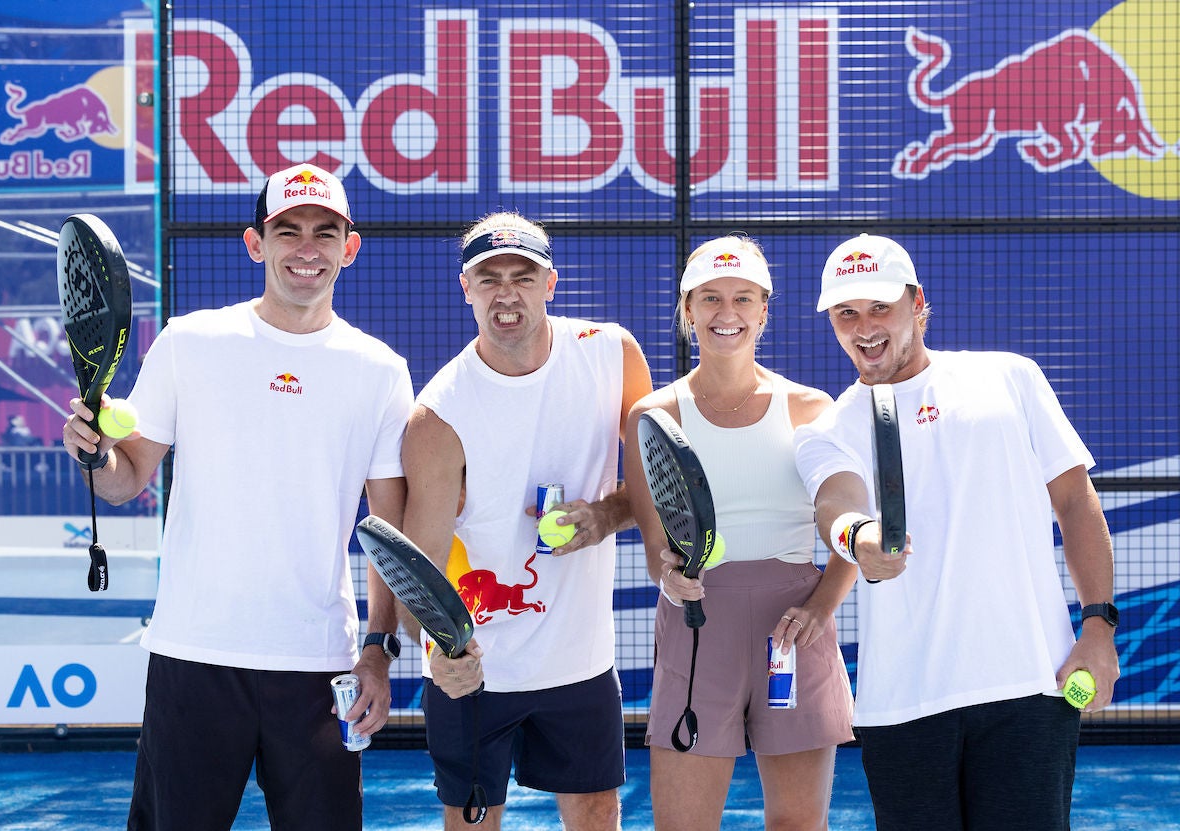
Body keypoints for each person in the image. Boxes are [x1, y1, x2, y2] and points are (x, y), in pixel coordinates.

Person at [61, 163, 415, 831]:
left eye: (323, 232)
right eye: (288, 230)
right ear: (256, 243)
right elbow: (125, 475)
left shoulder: (380, 370)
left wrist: (378, 649)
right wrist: (93, 451)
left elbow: (388, 530)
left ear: (350, 246)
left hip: (320, 666)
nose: (306, 249)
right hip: (195, 656)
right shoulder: (191, 342)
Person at [793, 233, 1120, 831]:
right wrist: (859, 538)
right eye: (846, 313)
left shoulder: (1010, 378)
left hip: (1030, 689)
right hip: (903, 706)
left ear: (917, 302)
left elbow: (1075, 501)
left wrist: (1098, 626)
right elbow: (835, 505)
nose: (863, 327)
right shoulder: (827, 429)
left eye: (879, 307)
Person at [399, 211, 654, 830]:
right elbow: (418, 567)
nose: (507, 293)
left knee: (596, 812)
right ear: (466, 288)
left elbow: (650, 486)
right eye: (489, 278)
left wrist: (604, 515)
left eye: (523, 276)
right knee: (472, 819)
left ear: (552, 283)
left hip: (581, 662)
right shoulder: (437, 416)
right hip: (478, 665)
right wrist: (438, 649)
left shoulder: (612, 354)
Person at [622, 236, 856, 831]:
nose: (727, 314)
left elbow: (851, 528)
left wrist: (823, 605)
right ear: (687, 310)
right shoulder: (652, 416)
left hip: (795, 627)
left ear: (763, 311)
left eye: (743, 298)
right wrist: (670, 576)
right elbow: (656, 547)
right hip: (698, 623)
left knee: (800, 826)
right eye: (710, 299)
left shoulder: (812, 408)